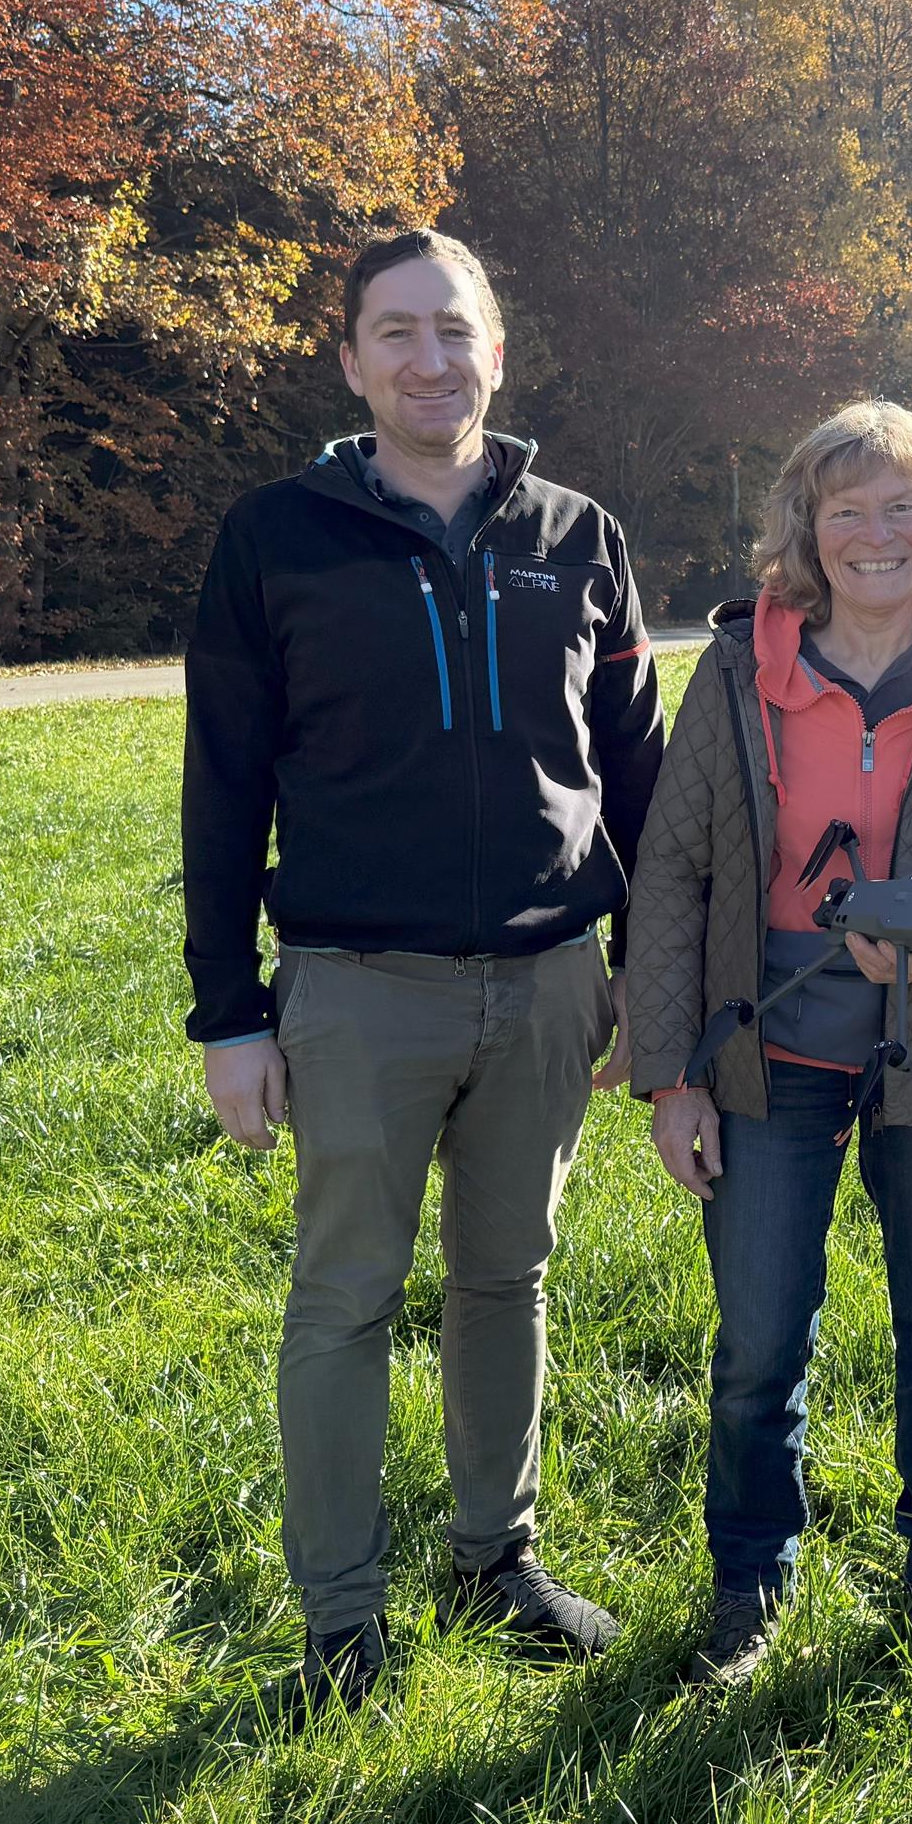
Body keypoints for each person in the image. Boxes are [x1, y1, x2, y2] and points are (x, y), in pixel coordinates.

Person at [181, 228, 664, 1714]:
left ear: (496, 353)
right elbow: (223, 783)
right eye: (395, 331)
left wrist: (648, 968)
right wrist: (228, 1013)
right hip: (355, 985)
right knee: (346, 1297)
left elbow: (642, 771)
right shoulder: (277, 537)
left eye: (454, 329)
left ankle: (494, 1560)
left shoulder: (578, 534)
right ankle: (341, 1620)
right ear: (349, 361)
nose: (428, 358)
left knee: (506, 1279)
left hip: (549, 981)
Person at [624, 402, 912, 1686]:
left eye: (901, 504)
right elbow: (672, 874)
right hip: (765, 1044)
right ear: (807, 529)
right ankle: (750, 1585)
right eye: (846, 509)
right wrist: (671, 1075)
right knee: (759, 1338)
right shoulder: (738, 671)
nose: (877, 533)